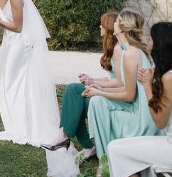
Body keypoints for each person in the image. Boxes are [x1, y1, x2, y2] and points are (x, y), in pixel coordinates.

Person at [108, 22, 172, 177]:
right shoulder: (167, 74)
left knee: (116, 150)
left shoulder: (169, 77)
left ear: (161, 45)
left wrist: (146, 87)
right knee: (117, 147)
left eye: (152, 40)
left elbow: (160, 122)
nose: (149, 44)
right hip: (168, 142)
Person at [0, 0, 60, 146]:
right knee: (7, 80)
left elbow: (18, 27)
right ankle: (13, 125)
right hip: (9, 41)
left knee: (14, 81)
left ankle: (24, 127)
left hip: (21, 42)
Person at [41, 12, 122, 160]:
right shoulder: (112, 47)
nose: (99, 26)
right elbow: (112, 77)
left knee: (76, 102)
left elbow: (121, 83)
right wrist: (92, 80)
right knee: (73, 90)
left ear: (109, 27)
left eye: (102, 24)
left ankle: (70, 138)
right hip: (108, 92)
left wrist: (98, 87)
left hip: (115, 99)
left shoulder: (118, 50)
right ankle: (69, 138)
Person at [83, 10, 159, 162]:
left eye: (117, 21)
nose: (114, 24)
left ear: (123, 28)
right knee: (97, 102)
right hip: (136, 106)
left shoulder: (131, 53)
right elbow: (126, 87)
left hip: (142, 117)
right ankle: (104, 158)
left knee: (97, 101)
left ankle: (106, 159)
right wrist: (100, 89)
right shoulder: (128, 51)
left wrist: (99, 92)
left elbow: (130, 95)